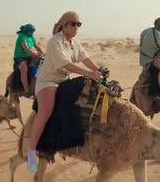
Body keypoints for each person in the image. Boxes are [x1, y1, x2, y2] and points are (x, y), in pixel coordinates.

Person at [26, 11, 106, 172]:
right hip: (48, 80)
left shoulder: (74, 42)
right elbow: (66, 64)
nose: (76, 27)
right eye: (73, 24)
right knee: (46, 110)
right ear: (63, 24)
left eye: (79, 24)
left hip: (64, 80)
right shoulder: (54, 42)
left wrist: (99, 70)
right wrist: (89, 73)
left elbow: (85, 58)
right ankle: (32, 150)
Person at [13, 24, 44, 97]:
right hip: (19, 57)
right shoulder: (22, 36)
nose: (32, 32)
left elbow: (37, 47)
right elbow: (26, 49)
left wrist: (43, 54)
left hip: (29, 56)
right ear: (26, 30)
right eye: (30, 30)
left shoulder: (32, 37)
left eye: (33, 30)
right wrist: (37, 55)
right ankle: (26, 91)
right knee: (24, 68)